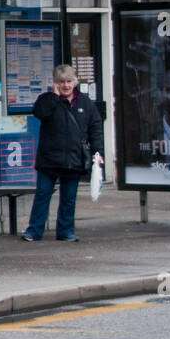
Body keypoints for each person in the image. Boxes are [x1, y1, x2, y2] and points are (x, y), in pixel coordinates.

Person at [22, 64, 103, 243]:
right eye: (61, 82)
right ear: (56, 83)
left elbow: (95, 128)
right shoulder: (48, 99)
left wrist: (98, 152)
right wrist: (54, 96)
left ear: (74, 82)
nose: (65, 85)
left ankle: (66, 231)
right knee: (43, 195)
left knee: (69, 197)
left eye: (68, 81)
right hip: (49, 159)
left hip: (73, 158)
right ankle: (34, 231)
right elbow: (39, 113)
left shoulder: (85, 103)